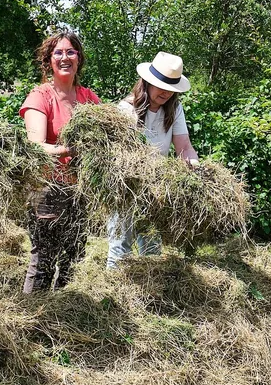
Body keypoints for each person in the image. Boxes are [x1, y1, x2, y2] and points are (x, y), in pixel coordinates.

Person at [20, 31, 100, 293]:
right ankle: (33, 319)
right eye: (58, 53)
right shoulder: (41, 96)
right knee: (44, 259)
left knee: (73, 260)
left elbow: (105, 137)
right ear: (48, 61)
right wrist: (69, 149)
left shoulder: (89, 99)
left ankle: (66, 315)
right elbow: (35, 146)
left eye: (70, 52)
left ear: (79, 58)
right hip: (47, 189)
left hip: (79, 190)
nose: (65, 57)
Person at [106, 51, 199, 269]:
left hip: (156, 189)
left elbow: (183, 146)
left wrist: (195, 167)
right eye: (161, 85)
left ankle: (150, 296)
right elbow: (126, 154)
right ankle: (112, 297)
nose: (166, 92)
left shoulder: (174, 109)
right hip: (127, 188)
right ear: (147, 82)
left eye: (171, 87)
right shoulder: (127, 109)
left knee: (151, 247)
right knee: (120, 248)